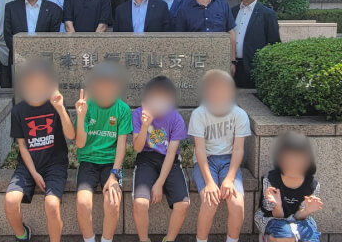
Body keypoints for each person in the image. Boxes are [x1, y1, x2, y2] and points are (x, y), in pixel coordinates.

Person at [4, 59, 75, 242]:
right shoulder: (18, 110)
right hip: (28, 166)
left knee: (52, 204)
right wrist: (34, 173)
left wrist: (60, 108)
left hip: (55, 164)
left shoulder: (55, 104)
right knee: (10, 201)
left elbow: (71, 135)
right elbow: (22, 145)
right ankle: (22, 235)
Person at [188, 69, 251, 242]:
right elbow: (200, 150)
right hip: (205, 162)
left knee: (237, 203)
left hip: (229, 162)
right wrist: (209, 182)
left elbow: (238, 149)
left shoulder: (239, 115)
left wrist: (229, 179)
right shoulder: (199, 114)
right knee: (210, 202)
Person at [75, 62, 132, 242]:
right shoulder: (86, 106)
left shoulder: (122, 109)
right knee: (83, 202)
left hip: (111, 163)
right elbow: (80, 143)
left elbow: (121, 145)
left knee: (113, 201)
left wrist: (114, 174)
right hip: (88, 161)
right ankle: (89, 239)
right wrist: (81, 116)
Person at [132, 76, 190, 242]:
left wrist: (159, 183)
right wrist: (145, 125)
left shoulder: (176, 119)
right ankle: (144, 240)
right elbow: (137, 148)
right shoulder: (138, 114)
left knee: (183, 204)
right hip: (146, 159)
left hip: (169, 161)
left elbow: (171, 154)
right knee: (140, 203)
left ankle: (169, 239)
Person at [254, 132, 322, 242]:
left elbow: (300, 217)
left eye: (298, 160)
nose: (293, 164)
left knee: (311, 238)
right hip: (273, 218)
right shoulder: (271, 180)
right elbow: (275, 215)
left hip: (300, 220)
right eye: (288, 160)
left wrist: (307, 210)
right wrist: (278, 206)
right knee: (285, 236)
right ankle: (267, 238)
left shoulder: (313, 185)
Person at [175, 0, 237, 75]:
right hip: (194, 64)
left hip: (220, 61)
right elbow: (179, 39)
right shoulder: (184, 9)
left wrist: (232, 61)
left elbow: (231, 33)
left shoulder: (223, 5)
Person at [4, 0, 63, 65]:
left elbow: (53, 39)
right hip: (18, 61)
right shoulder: (11, 8)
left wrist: (36, 55)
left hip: (44, 62)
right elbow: (8, 36)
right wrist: (24, 55)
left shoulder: (54, 10)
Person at [231, 0, 281, 88]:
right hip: (233, 68)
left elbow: (274, 44)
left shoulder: (267, 14)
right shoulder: (232, 12)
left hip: (254, 69)